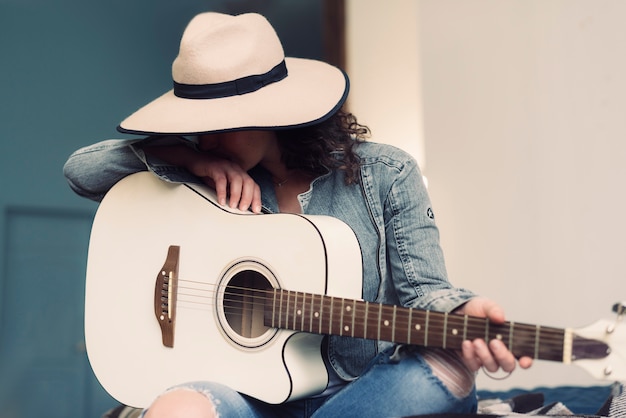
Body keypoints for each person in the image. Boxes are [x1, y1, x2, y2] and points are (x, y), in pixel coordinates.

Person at [64, 12, 532, 417]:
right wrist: (188, 159)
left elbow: (424, 292)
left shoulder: (386, 174)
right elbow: (82, 171)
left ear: (269, 112)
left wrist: (461, 312)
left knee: (436, 373)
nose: (203, 137)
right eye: (195, 126)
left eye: (217, 125)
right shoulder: (205, 179)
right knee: (176, 409)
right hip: (249, 397)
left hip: (363, 388)